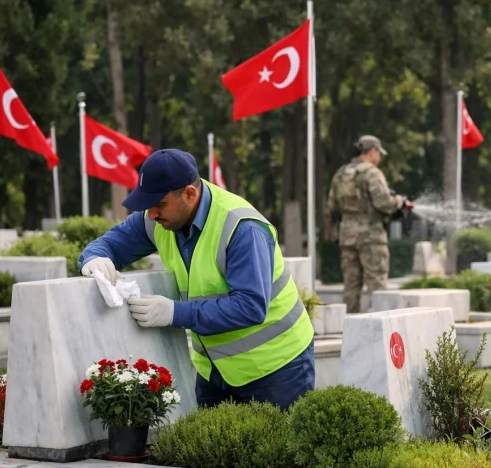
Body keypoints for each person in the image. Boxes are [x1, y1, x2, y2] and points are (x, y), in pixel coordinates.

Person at [79, 149, 315, 412]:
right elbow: (109, 245)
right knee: (209, 451)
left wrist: (173, 312)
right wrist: (94, 258)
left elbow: (250, 307)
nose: (151, 215)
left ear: (189, 194)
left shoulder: (242, 228)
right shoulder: (158, 219)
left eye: (159, 204)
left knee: (277, 453)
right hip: (215, 371)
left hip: (277, 368)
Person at [326, 135, 404, 313]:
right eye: (379, 153)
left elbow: (331, 207)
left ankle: (348, 327)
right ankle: (380, 328)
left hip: (347, 237)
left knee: (351, 286)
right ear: (372, 151)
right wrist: (399, 201)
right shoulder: (372, 173)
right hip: (372, 238)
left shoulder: (341, 174)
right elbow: (383, 202)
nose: (380, 158)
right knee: (377, 285)